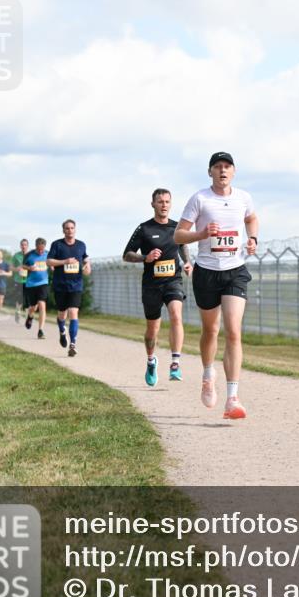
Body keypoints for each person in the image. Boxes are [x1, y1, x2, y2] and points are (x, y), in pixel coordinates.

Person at [175, 152, 258, 420]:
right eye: (217, 167)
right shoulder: (200, 198)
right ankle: (208, 374)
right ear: (210, 172)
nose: (222, 171)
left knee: (233, 331)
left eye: (227, 167)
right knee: (211, 330)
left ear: (233, 171)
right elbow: (178, 234)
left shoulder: (243, 197)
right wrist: (201, 234)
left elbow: (251, 218)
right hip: (207, 272)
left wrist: (253, 238)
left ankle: (232, 398)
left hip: (235, 270)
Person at [124, 188, 193, 386]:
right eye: (160, 201)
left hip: (173, 280)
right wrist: (145, 257)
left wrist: (187, 262)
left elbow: (182, 246)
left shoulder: (176, 227)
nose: (164, 205)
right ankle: (151, 360)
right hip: (151, 285)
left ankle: (175, 363)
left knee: (176, 315)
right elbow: (127, 254)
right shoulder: (144, 228)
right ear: (153, 204)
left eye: (167, 201)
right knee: (152, 331)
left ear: (171, 204)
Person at [46, 219, 91, 357]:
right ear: (63, 230)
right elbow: (48, 261)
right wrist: (65, 261)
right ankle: (62, 331)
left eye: (72, 228)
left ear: (75, 229)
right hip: (60, 285)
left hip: (76, 285)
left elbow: (86, 263)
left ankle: (73, 344)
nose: (69, 230)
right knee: (62, 314)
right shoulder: (57, 244)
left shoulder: (81, 245)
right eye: (67, 228)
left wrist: (87, 267)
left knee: (73, 312)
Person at [23, 238, 50, 339]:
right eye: (39, 250)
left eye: (42, 250)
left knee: (42, 304)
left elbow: (52, 263)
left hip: (43, 283)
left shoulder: (48, 254)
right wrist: (29, 268)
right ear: (35, 246)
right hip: (31, 284)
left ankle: (41, 330)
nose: (40, 252)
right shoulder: (29, 255)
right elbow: (23, 266)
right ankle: (30, 316)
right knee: (33, 308)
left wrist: (52, 267)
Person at [10, 239, 30, 323]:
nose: (23, 246)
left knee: (28, 297)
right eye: (22, 245)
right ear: (20, 246)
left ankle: (27, 315)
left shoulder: (31, 255)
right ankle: (18, 311)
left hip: (29, 280)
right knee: (19, 297)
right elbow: (10, 267)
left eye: (25, 245)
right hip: (18, 280)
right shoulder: (16, 256)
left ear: (27, 246)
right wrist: (16, 269)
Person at [0, 249, 12, 319]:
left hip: (2, 285)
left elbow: (10, 274)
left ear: (2, 255)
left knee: (0, 302)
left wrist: (4, 273)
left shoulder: (6, 264)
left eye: (0, 254)